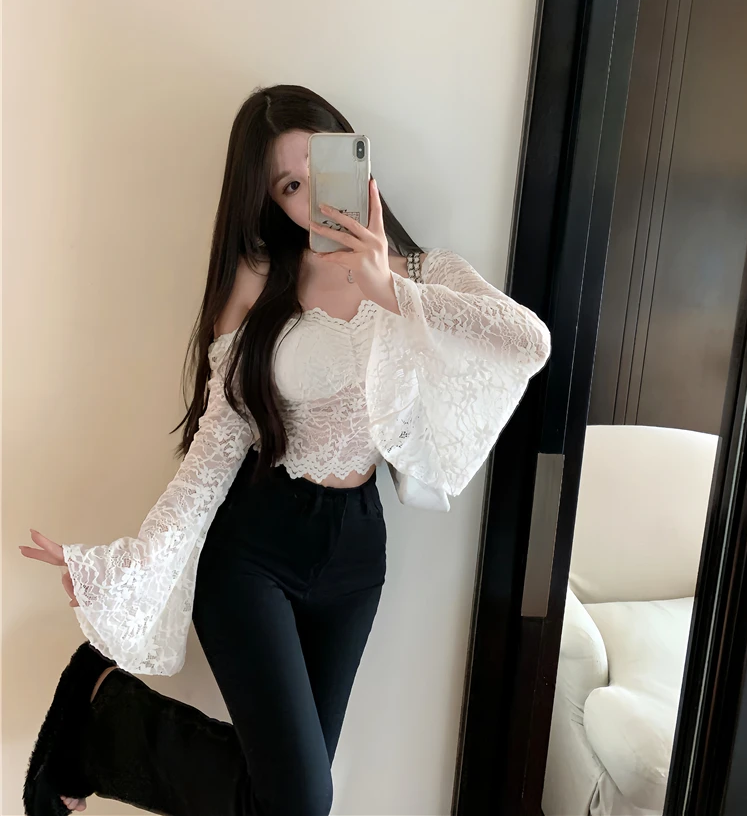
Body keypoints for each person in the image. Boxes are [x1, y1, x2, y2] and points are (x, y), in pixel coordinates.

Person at [20, 85, 551, 816]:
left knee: (283, 803)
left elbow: (529, 342)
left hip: (356, 554)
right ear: (272, 200)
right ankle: (98, 715)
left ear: (355, 156)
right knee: (301, 801)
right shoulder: (260, 279)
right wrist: (133, 566)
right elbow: (217, 443)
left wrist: (390, 288)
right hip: (255, 547)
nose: (313, 196)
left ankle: (100, 714)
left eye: (320, 167)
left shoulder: (427, 274)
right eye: (291, 186)